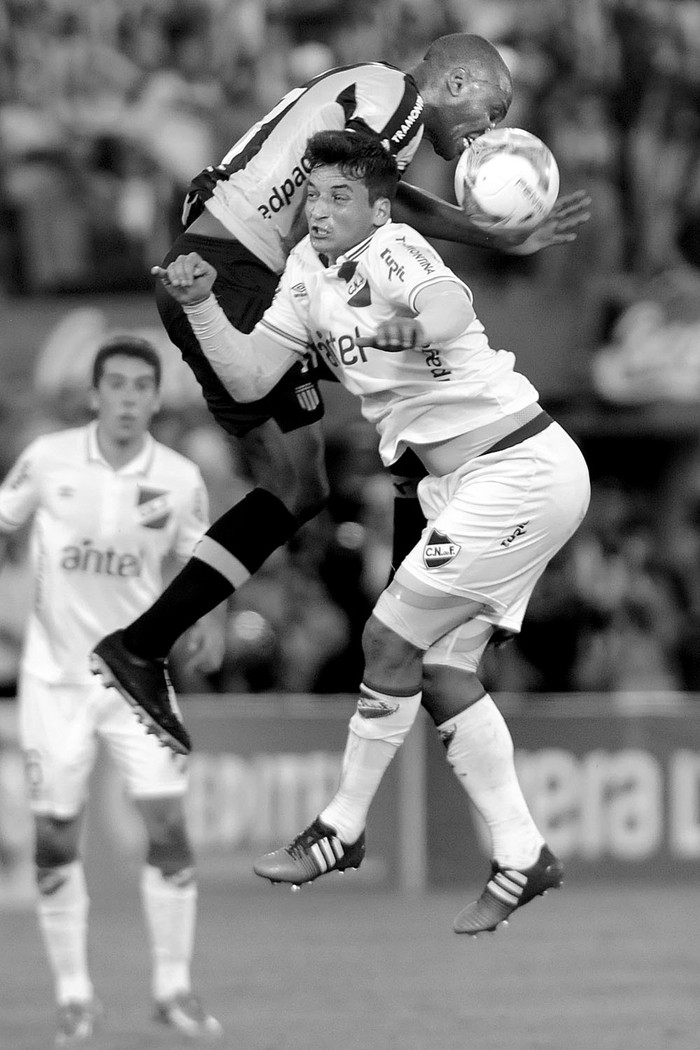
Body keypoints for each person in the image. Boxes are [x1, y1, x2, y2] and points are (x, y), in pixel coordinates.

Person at [90, 34, 590, 752]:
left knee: (298, 483)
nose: (495, 127)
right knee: (421, 377)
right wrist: (458, 250)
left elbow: (350, 186)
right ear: (454, 79)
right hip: (242, 276)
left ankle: (141, 646)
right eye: (494, 104)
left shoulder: (373, 91)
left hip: (216, 266)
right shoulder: (402, 105)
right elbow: (348, 193)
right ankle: (413, 625)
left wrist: (487, 235)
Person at [146, 130, 591, 935]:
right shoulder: (304, 276)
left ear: (378, 207)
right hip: (470, 483)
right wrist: (203, 303)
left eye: (339, 196)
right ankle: (524, 854)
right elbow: (248, 375)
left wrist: (412, 330)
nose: (319, 209)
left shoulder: (394, 247)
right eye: (313, 194)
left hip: (516, 467)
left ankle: (340, 829)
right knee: (442, 674)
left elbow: (449, 307)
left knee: (388, 638)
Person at [0, 337, 223, 1043]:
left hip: (138, 682)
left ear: (156, 399)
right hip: (55, 682)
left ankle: (173, 989)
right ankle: (74, 995)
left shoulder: (183, 478)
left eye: (139, 387)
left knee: (168, 830)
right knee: (57, 836)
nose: (127, 398)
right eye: (115, 385)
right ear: (94, 394)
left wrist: (205, 621)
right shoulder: (47, 460)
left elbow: (197, 560)